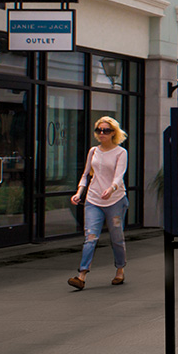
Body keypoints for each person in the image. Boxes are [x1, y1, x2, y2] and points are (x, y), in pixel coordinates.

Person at [67, 116, 129, 290]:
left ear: (113, 133)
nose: (102, 133)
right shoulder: (93, 151)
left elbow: (119, 175)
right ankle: (81, 275)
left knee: (116, 237)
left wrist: (111, 188)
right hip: (93, 200)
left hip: (115, 200)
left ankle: (120, 269)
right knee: (90, 237)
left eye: (106, 130)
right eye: (99, 130)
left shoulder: (120, 152)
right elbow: (86, 174)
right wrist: (79, 192)